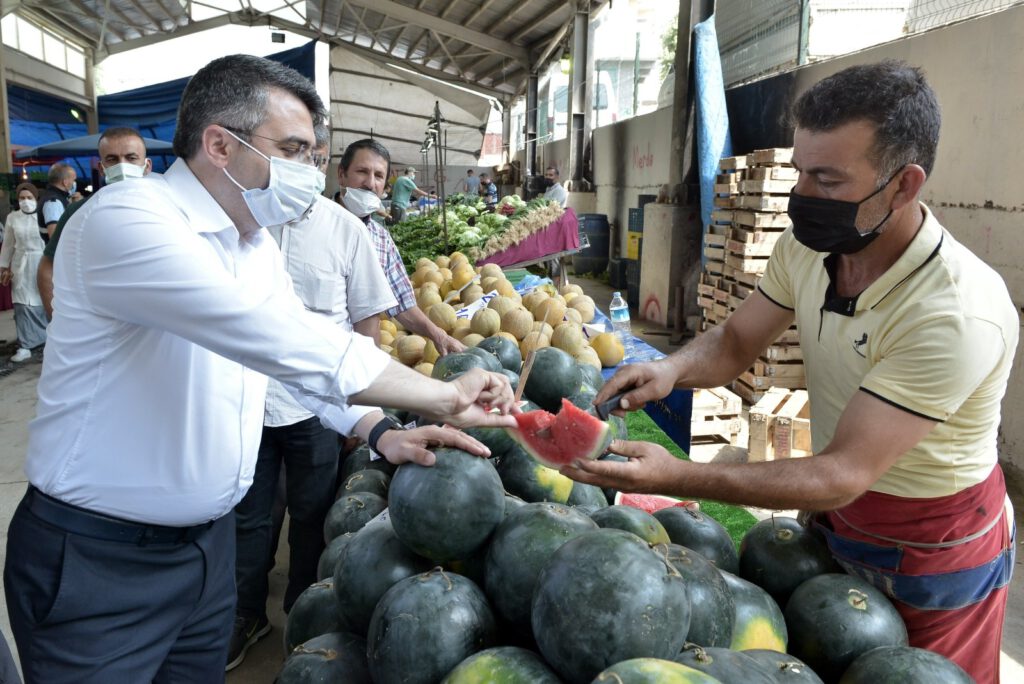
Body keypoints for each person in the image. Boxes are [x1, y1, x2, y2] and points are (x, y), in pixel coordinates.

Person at [3, 54, 515, 684]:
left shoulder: (253, 247)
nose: (308, 171)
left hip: (205, 554)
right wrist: (440, 395)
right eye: (294, 150)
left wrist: (381, 428)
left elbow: (295, 364)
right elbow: (278, 338)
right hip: (99, 563)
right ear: (220, 144)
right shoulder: (127, 221)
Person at [576, 62, 1016, 684]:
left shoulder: (957, 311)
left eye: (827, 179)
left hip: (931, 544)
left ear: (903, 184)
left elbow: (842, 472)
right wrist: (670, 369)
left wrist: (684, 476)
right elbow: (734, 340)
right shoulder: (810, 247)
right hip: (836, 515)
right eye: (801, 170)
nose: (801, 195)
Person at [228, 124, 399, 670]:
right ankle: (246, 615)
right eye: (293, 152)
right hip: (249, 405)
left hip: (317, 408)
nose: (304, 164)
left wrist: (362, 411)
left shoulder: (347, 231)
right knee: (250, 519)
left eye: (311, 154)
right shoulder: (248, 221)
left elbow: (367, 322)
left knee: (310, 516)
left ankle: (303, 612)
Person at [338, 139, 465, 354]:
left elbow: (402, 303)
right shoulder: (315, 224)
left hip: (364, 365)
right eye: (362, 171)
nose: (370, 183)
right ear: (341, 174)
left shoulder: (381, 238)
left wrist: (438, 335)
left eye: (378, 176)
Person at [37, 127, 153, 318]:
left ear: (147, 166)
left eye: (131, 158)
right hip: (100, 322)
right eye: (112, 159)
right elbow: (47, 267)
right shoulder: (79, 211)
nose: (122, 166)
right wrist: (58, 321)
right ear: (101, 167)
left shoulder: (166, 209)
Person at [0, 183, 48, 362]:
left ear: (36, 199)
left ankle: (48, 339)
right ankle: (25, 345)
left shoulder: (43, 216)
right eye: (22, 198)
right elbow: (7, 244)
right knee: (22, 304)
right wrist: (3, 266)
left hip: (42, 262)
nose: (25, 201)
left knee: (44, 301)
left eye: (29, 198)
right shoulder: (12, 217)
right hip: (20, 264)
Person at [36, 162, 77, 240]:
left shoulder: (57, 198)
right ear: (65, 182)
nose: (74, 183)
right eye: (73, 180)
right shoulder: (53, 202)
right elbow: (54, 236)